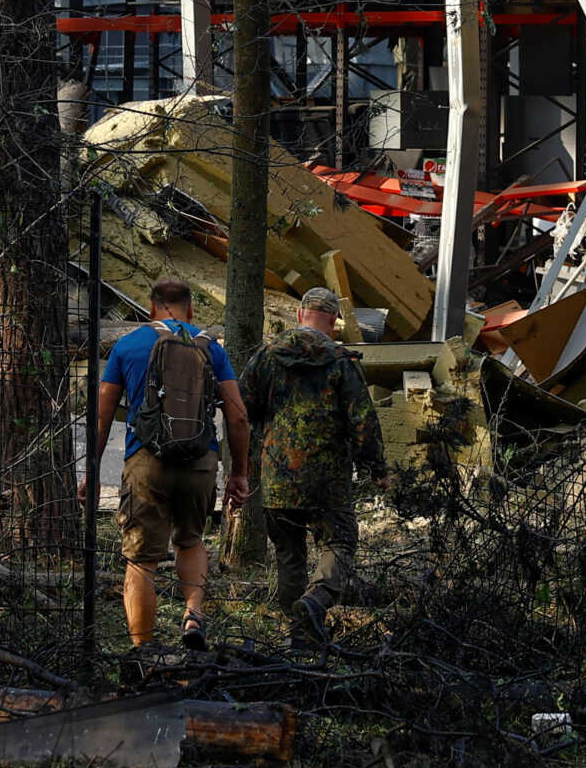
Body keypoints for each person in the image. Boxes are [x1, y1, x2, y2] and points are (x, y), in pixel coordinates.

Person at [87, 278, 252, 650]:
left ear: (151, 308)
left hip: (146, 463)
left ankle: (142, 648)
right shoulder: (211, 348)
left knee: (141, 559)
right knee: (191, 541)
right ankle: (193, 615)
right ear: (190, 309)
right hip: (199, 461)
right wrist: (238, 473)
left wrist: (92, 473)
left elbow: (102, 416)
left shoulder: (127, 346)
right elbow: (238, 418)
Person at [241, 286, 388, 646]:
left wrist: (247, 460)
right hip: (328, 481)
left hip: (277, 476)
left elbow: (241, 408)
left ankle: (297, 636)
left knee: (290, 554)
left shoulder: (267, 356)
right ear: (334, 323)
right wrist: (377, 468)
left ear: (299, 315)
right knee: (340, 541)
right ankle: (316, 601)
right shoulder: (341, 361)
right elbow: (362, 421)